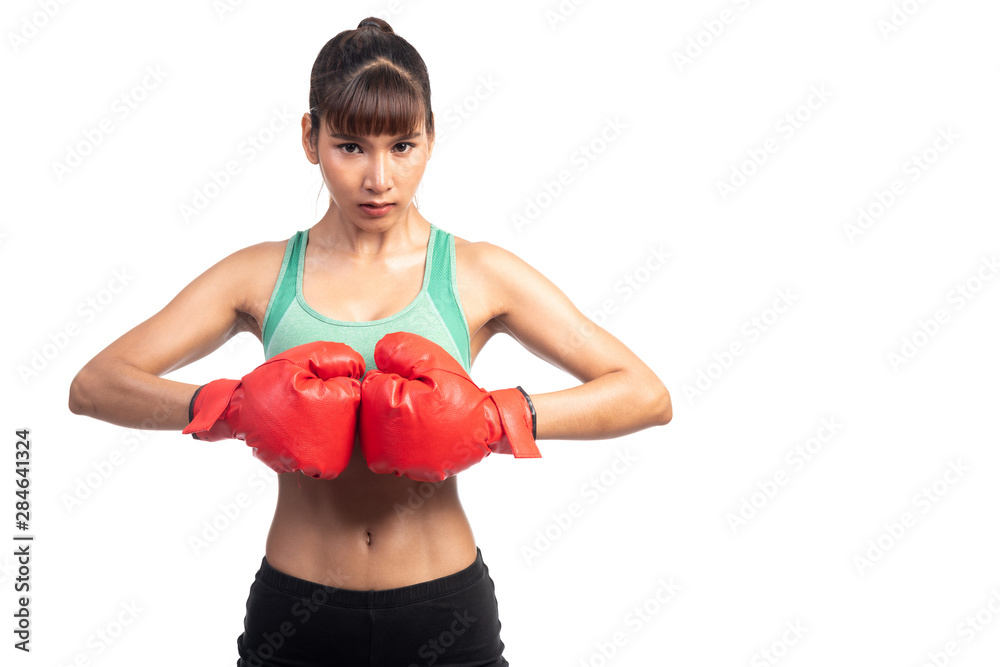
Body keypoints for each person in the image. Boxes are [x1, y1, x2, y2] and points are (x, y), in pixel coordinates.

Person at [68, 16, 672, 666]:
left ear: (432, 139)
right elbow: (94, 385)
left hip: (443, 610)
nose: (378, 177)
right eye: (351, 146)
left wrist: (497, 419)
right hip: (297, 614)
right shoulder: (261, 273)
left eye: (402, 146)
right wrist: (231, 408)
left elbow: (645, 393)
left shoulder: (477, 273)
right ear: (310, 137)